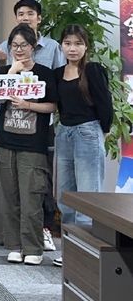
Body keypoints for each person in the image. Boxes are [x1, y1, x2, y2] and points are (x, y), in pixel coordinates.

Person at [0, 23, 58, 266]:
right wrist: (12, 72)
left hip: (33, 144)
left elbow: (52, 106)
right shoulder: (3, 72)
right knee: (9, 198)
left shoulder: (45, 73)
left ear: (33, 47)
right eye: (14, 45)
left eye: (24, 45)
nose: (19, 50)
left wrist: (27, 105)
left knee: (32, 197)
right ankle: (13, 245)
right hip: (5, 141)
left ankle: (33, 247)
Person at [53, 24, 113, 267]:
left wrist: (102, 132)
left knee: (88, 194)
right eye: (68, 43)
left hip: (88, 131)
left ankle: (87, 252)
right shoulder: (57, 73)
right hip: (64, 133)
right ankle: (69, 250)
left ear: (86, 46)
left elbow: (105, 104)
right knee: (65, 195)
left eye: (78, 43)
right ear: (61, 46)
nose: (73, 48)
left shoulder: (93, 70)